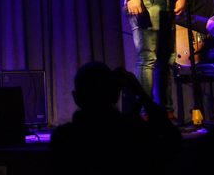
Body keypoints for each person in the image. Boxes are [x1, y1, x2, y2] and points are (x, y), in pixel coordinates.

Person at [49, 61, 183, 174]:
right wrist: (140, 92)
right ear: (115, 94)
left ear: (76, 97)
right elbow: (173, 141)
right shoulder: (132, 131)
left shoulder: (63, 138)